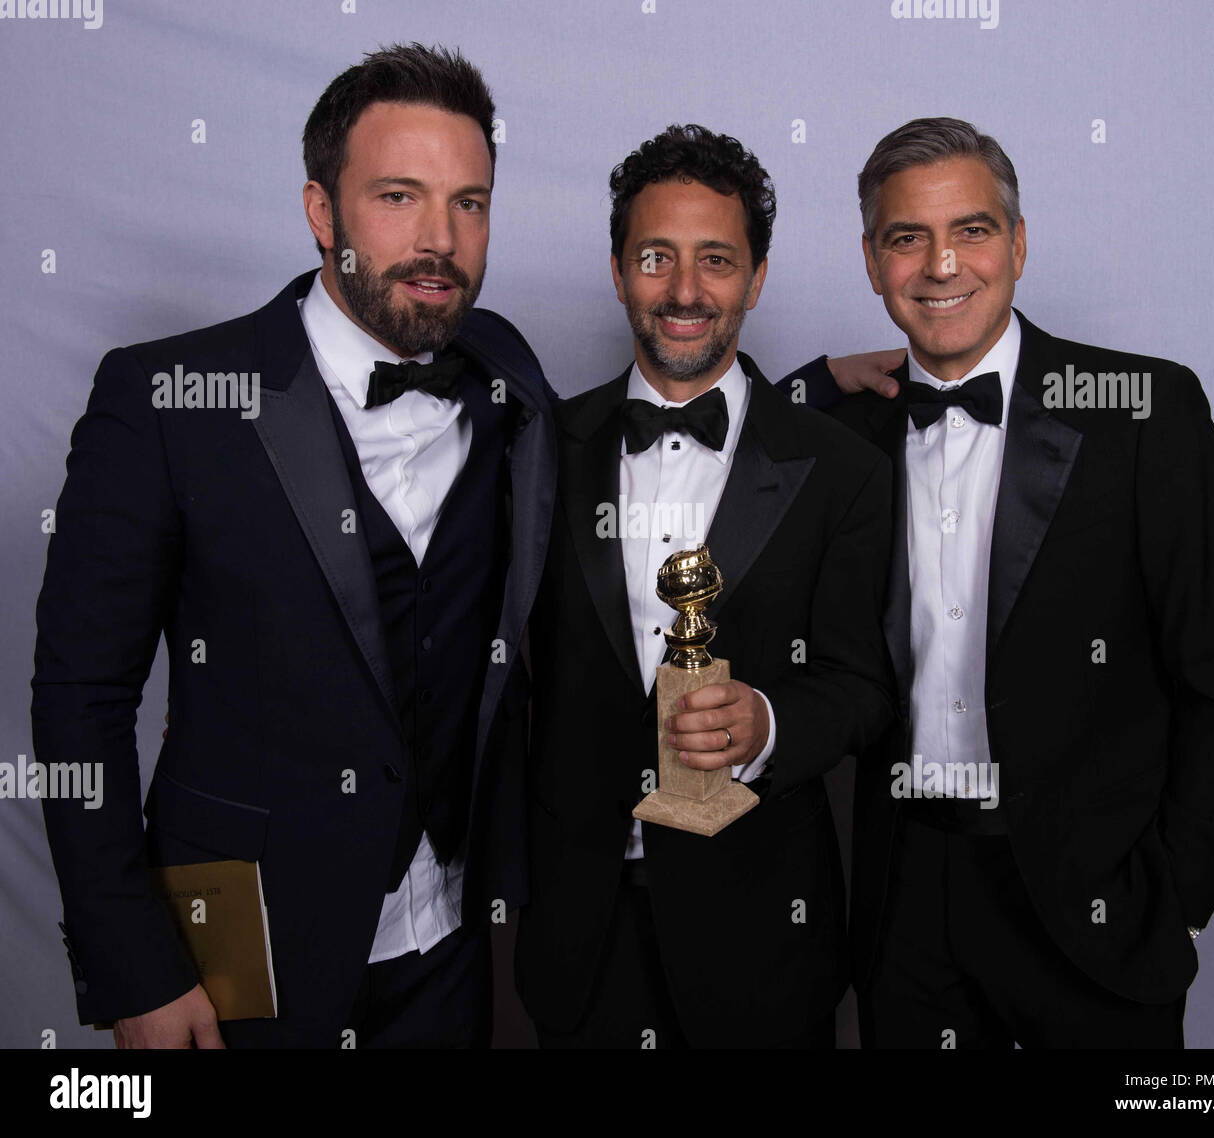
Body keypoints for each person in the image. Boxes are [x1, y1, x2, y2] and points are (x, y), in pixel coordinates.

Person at [32, 43, 555, 1048]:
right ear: (322, 211)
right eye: (398, 196)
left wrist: (823, 395)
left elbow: (626, 430)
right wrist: (134, 966)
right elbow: (78, 700)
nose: (439, 239)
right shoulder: (166, 402)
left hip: (447, 948)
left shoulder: (506, 371)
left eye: (470, 203)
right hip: (236, 958)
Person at [782, 117, 1214, 1047]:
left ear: (1016, 242)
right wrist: (807, 384)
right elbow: (707, 428)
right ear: (871, 259)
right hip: (907, 900)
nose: (941, 266)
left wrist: (1178, 898)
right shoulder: (841, 432)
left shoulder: (1145, 412)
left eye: (971, 230)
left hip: (1098, 901)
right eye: (905, 238)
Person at [514, 124, 895, 1048]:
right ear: (617, 270)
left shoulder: (841, 470)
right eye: (656, 258)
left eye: (716, 260)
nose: (685, 292)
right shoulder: (534, 449)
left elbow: (864, 690)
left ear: (757, 279)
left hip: (764, 938)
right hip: (578, 937)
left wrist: (769, 723)